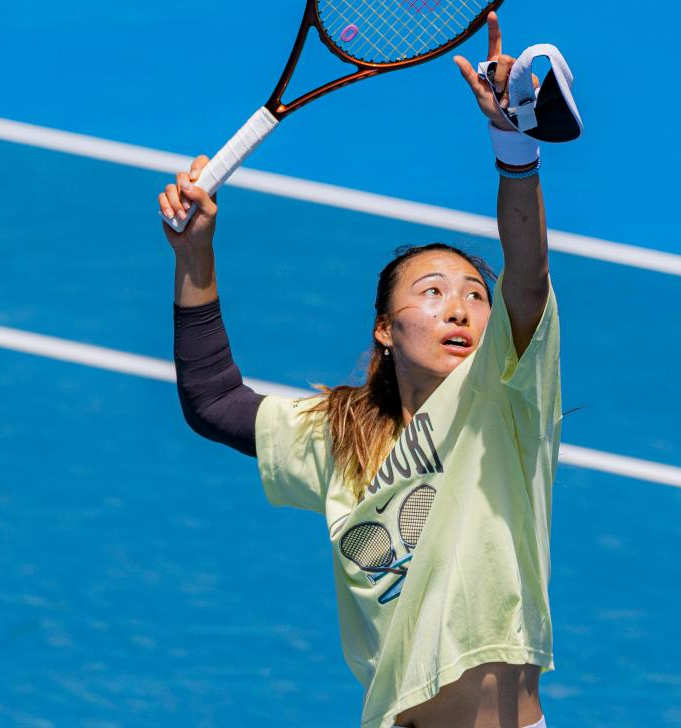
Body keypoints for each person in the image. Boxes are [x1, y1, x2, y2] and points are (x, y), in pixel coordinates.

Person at [158, 13, 561, 728]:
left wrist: (513, 146)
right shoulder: (343, 437)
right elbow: (213, 402)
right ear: (384, 329)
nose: (461, 309)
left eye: (474, 294)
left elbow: (525, 281)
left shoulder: (503, 400)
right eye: (431, 294)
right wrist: (194, 258)